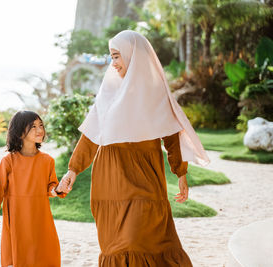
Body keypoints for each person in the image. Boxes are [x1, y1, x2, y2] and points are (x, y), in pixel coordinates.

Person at [57, 30, 210, 266]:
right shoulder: (108, 92)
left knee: (145, 240)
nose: (113, 63)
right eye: (111, 57)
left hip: (145, 179)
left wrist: (180, 172)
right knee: (117, 245)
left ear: (133, 55)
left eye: (117, 56)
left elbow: (170, 134)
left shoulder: (154, 91)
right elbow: (90, 136)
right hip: (109, 182)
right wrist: (72, 170)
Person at [0, 110, 66, 267]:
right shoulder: (8, 161)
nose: (39, 130)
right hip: (17, 219)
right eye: (33, 126)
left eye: (41, 125)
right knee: (20, 257)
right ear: (19, 131)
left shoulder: (47, 160)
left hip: (41, 218)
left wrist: (58, 189)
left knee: (46, 256)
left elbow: (50, 188)